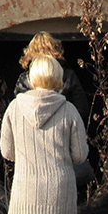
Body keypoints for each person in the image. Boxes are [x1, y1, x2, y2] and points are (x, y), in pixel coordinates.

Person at [0, 55, 88, 214]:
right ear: (58, 77)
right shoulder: (69, 111)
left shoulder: (14, 108)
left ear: (32, 78)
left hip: (25, 193)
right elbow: (80, 156)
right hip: (60, 196)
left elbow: (7, 152)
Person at [13, 32, 95, 189]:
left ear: (30, 52)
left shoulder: (24, 80)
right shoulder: (68, 76)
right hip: (62, 148)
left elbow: (19, 116)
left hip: (32, 154)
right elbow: (82, 110)